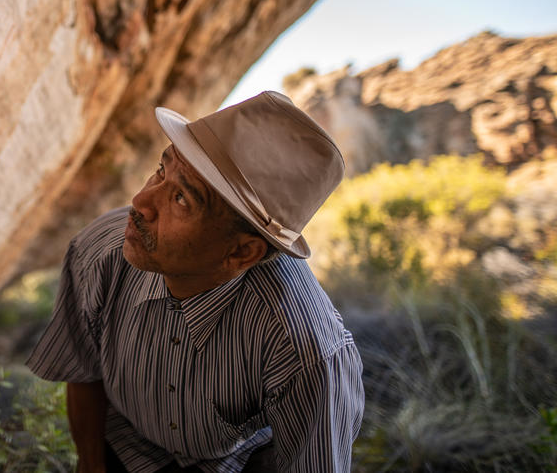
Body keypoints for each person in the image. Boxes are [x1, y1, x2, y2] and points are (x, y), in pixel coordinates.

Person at [27, 91, 364, 472]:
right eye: (160, 169)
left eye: (181, 199)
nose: (140, 202)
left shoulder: (305, 351)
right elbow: (83, 372)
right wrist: (91, 465)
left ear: (241, 253)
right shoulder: (100, 252)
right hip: (127, 447)